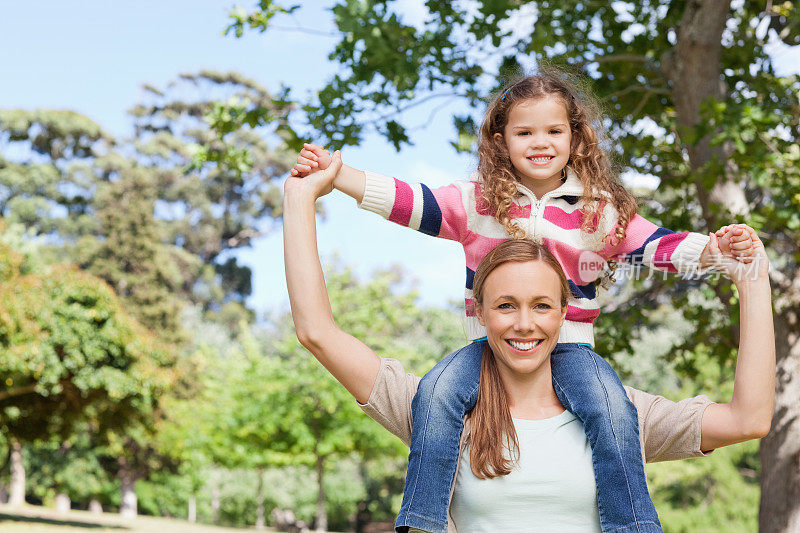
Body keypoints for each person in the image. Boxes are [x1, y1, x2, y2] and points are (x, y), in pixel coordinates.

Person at [290, 71, 757, 533]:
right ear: (501, 141)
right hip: (483, 349)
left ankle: (631, 523)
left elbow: (658, 245)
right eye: (524, 132)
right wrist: (339, 175)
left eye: (554, 131)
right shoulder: (477, 203)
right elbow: (411, 201)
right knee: (434, 393)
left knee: (611, 407)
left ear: (577, 139)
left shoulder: (600, 210)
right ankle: (424, 519)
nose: (540, 142)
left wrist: (716, 253)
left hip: (574, 350)